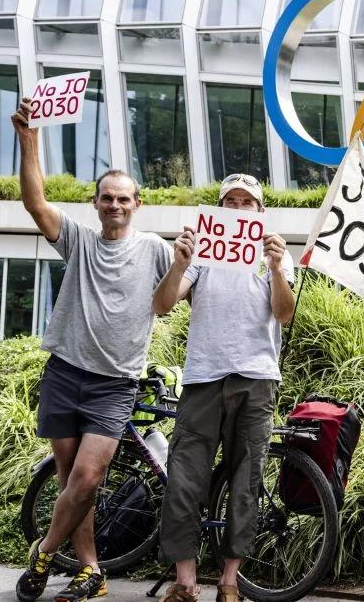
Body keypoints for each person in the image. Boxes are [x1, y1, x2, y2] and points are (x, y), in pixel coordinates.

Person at [10, 98, 173, 602]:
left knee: (87, 477)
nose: (115, 205)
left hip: (113, 384)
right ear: (96, 202)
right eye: (107, 198)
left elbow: (187, 290)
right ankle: (90, 573)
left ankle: (42, 552)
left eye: (124, 199)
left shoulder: (156, 250)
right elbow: (36, 204)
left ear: (138, 203)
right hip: (64, 374)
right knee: (71, 486)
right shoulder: (79, 239)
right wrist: (29, 140)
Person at [150, 175, 295, 602]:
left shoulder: (275, 255)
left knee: (246, 479)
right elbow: (162, 305)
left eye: (246, 201)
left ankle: (229, 582)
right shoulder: (202, 252)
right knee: (184, 477)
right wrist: (179, 263)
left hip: (255, 376)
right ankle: (185, 581)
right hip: (203, 377)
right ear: (219, 209)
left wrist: (274, 268)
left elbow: (284, 314)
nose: (237, 206)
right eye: (229, 200)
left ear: (259, 211)